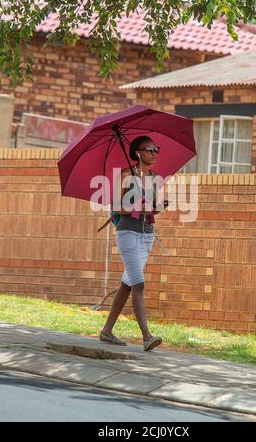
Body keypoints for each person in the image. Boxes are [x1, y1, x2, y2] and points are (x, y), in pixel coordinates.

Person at [100, 136, 167, 351]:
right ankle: (147, 336)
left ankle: (107, 331)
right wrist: (138, 209)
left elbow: (154, 208)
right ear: (138, 152)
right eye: (150, 149)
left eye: (157, 149)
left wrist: (159, 206)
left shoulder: (155, 178)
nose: (155, 153)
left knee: (127, 283)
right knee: (138, 283)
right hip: (128, 232)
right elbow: (116, 206)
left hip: (147, 234)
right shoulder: (126, 175)